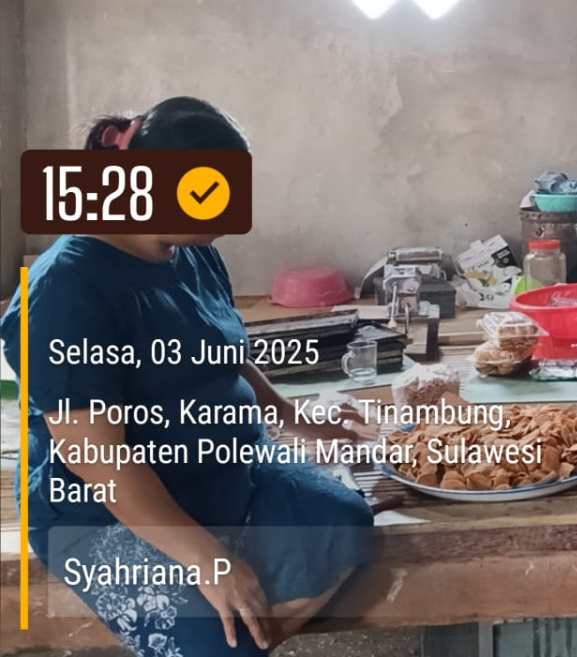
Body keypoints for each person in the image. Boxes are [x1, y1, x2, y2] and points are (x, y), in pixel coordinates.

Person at [1, 97, 374, 657]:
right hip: (104, 504)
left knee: (346, 523)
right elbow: (97, 457)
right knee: (224, 640)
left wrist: (297, 420)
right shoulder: (64, 290)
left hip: (222, 463)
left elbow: (223, 353)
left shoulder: (192, 252)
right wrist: (208, 559)